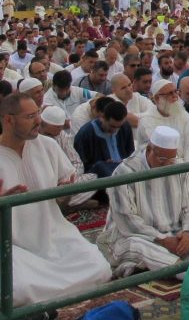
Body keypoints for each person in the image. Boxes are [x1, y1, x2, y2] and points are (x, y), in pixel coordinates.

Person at [0, 93, 111, 307]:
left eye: (38, 114)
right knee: (17, 290)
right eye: (30, 116)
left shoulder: (47, 146)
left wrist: (64, 193)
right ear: (8, 120)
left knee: (100, 269)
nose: (38, 121)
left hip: (54, 235)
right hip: (12, 246)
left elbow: (62, 198)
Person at [102, 126, 189, 278]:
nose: (167, 164)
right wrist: (162, 240)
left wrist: (187, 233)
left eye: (171, 158)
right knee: (139, 247)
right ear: (149, 149)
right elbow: (127, 221)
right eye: (162, 159)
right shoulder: (124, 172)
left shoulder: (179, 166)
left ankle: (158, 266)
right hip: (138, 237)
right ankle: (182, 271)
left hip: (173, 233)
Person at [40, 105, 99, 208]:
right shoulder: (34, 138)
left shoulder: (62, 135)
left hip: (67, 180)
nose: (60, 129)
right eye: (57, 127)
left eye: (61, 126)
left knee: (94, 178)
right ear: (45, 124)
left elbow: (77, 162)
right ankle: (73, 204)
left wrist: (69, 178)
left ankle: (66, 203)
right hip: (46, 183)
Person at [73, 100, 136, 178]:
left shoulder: (125, 127)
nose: (115, 130)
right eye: (112, 126)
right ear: (102, 117)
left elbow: (131, 155)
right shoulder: (85, 134)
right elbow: (81, 167)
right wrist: (105, 165)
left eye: (118, 127)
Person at [137, 79, 189, 159]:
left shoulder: (184, 116)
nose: (175, 96)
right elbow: (158, 153)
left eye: (176, 91)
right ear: (157, 98)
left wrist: (188, 169)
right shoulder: (146, 121)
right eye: (170, 93)